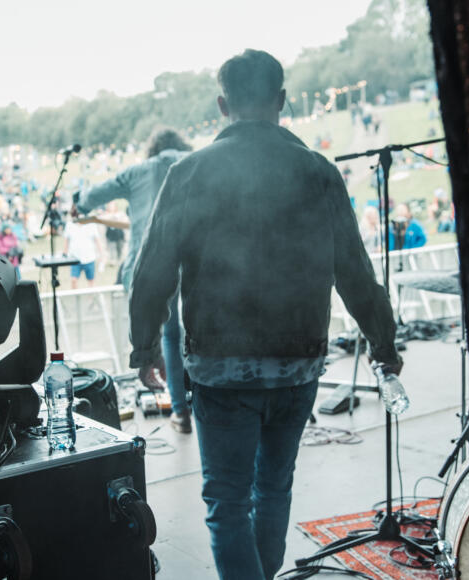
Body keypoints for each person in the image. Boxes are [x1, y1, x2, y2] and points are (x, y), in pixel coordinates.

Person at [127, 49, 401, 579]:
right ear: (282, 100)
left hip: (219, 367)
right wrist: (384, 347)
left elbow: (152, 269)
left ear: (222, 104)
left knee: (227, 504)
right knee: (274, 487)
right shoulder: (318, 171)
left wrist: (143, 348)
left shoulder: (188, 171)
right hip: (297, 364)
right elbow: (356, 274)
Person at [72, 128, 195, 432]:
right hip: (194, 263)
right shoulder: (196, 162)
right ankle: (195, 401)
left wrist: (82, 204)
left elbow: (91, 197)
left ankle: (179, 410)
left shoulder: (136, 172)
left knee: (169, 332)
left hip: (147, 266)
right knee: (192, 331)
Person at [62, 218, 102, 289]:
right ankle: (75, 298)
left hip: (89, 258)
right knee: (73, 280)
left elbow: (97, 240)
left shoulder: (91, 224)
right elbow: (66, 240)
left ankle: (90, 299)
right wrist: (64, 254)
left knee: (91, 281)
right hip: (75, 258)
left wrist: (101, 254)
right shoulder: (69, 224)